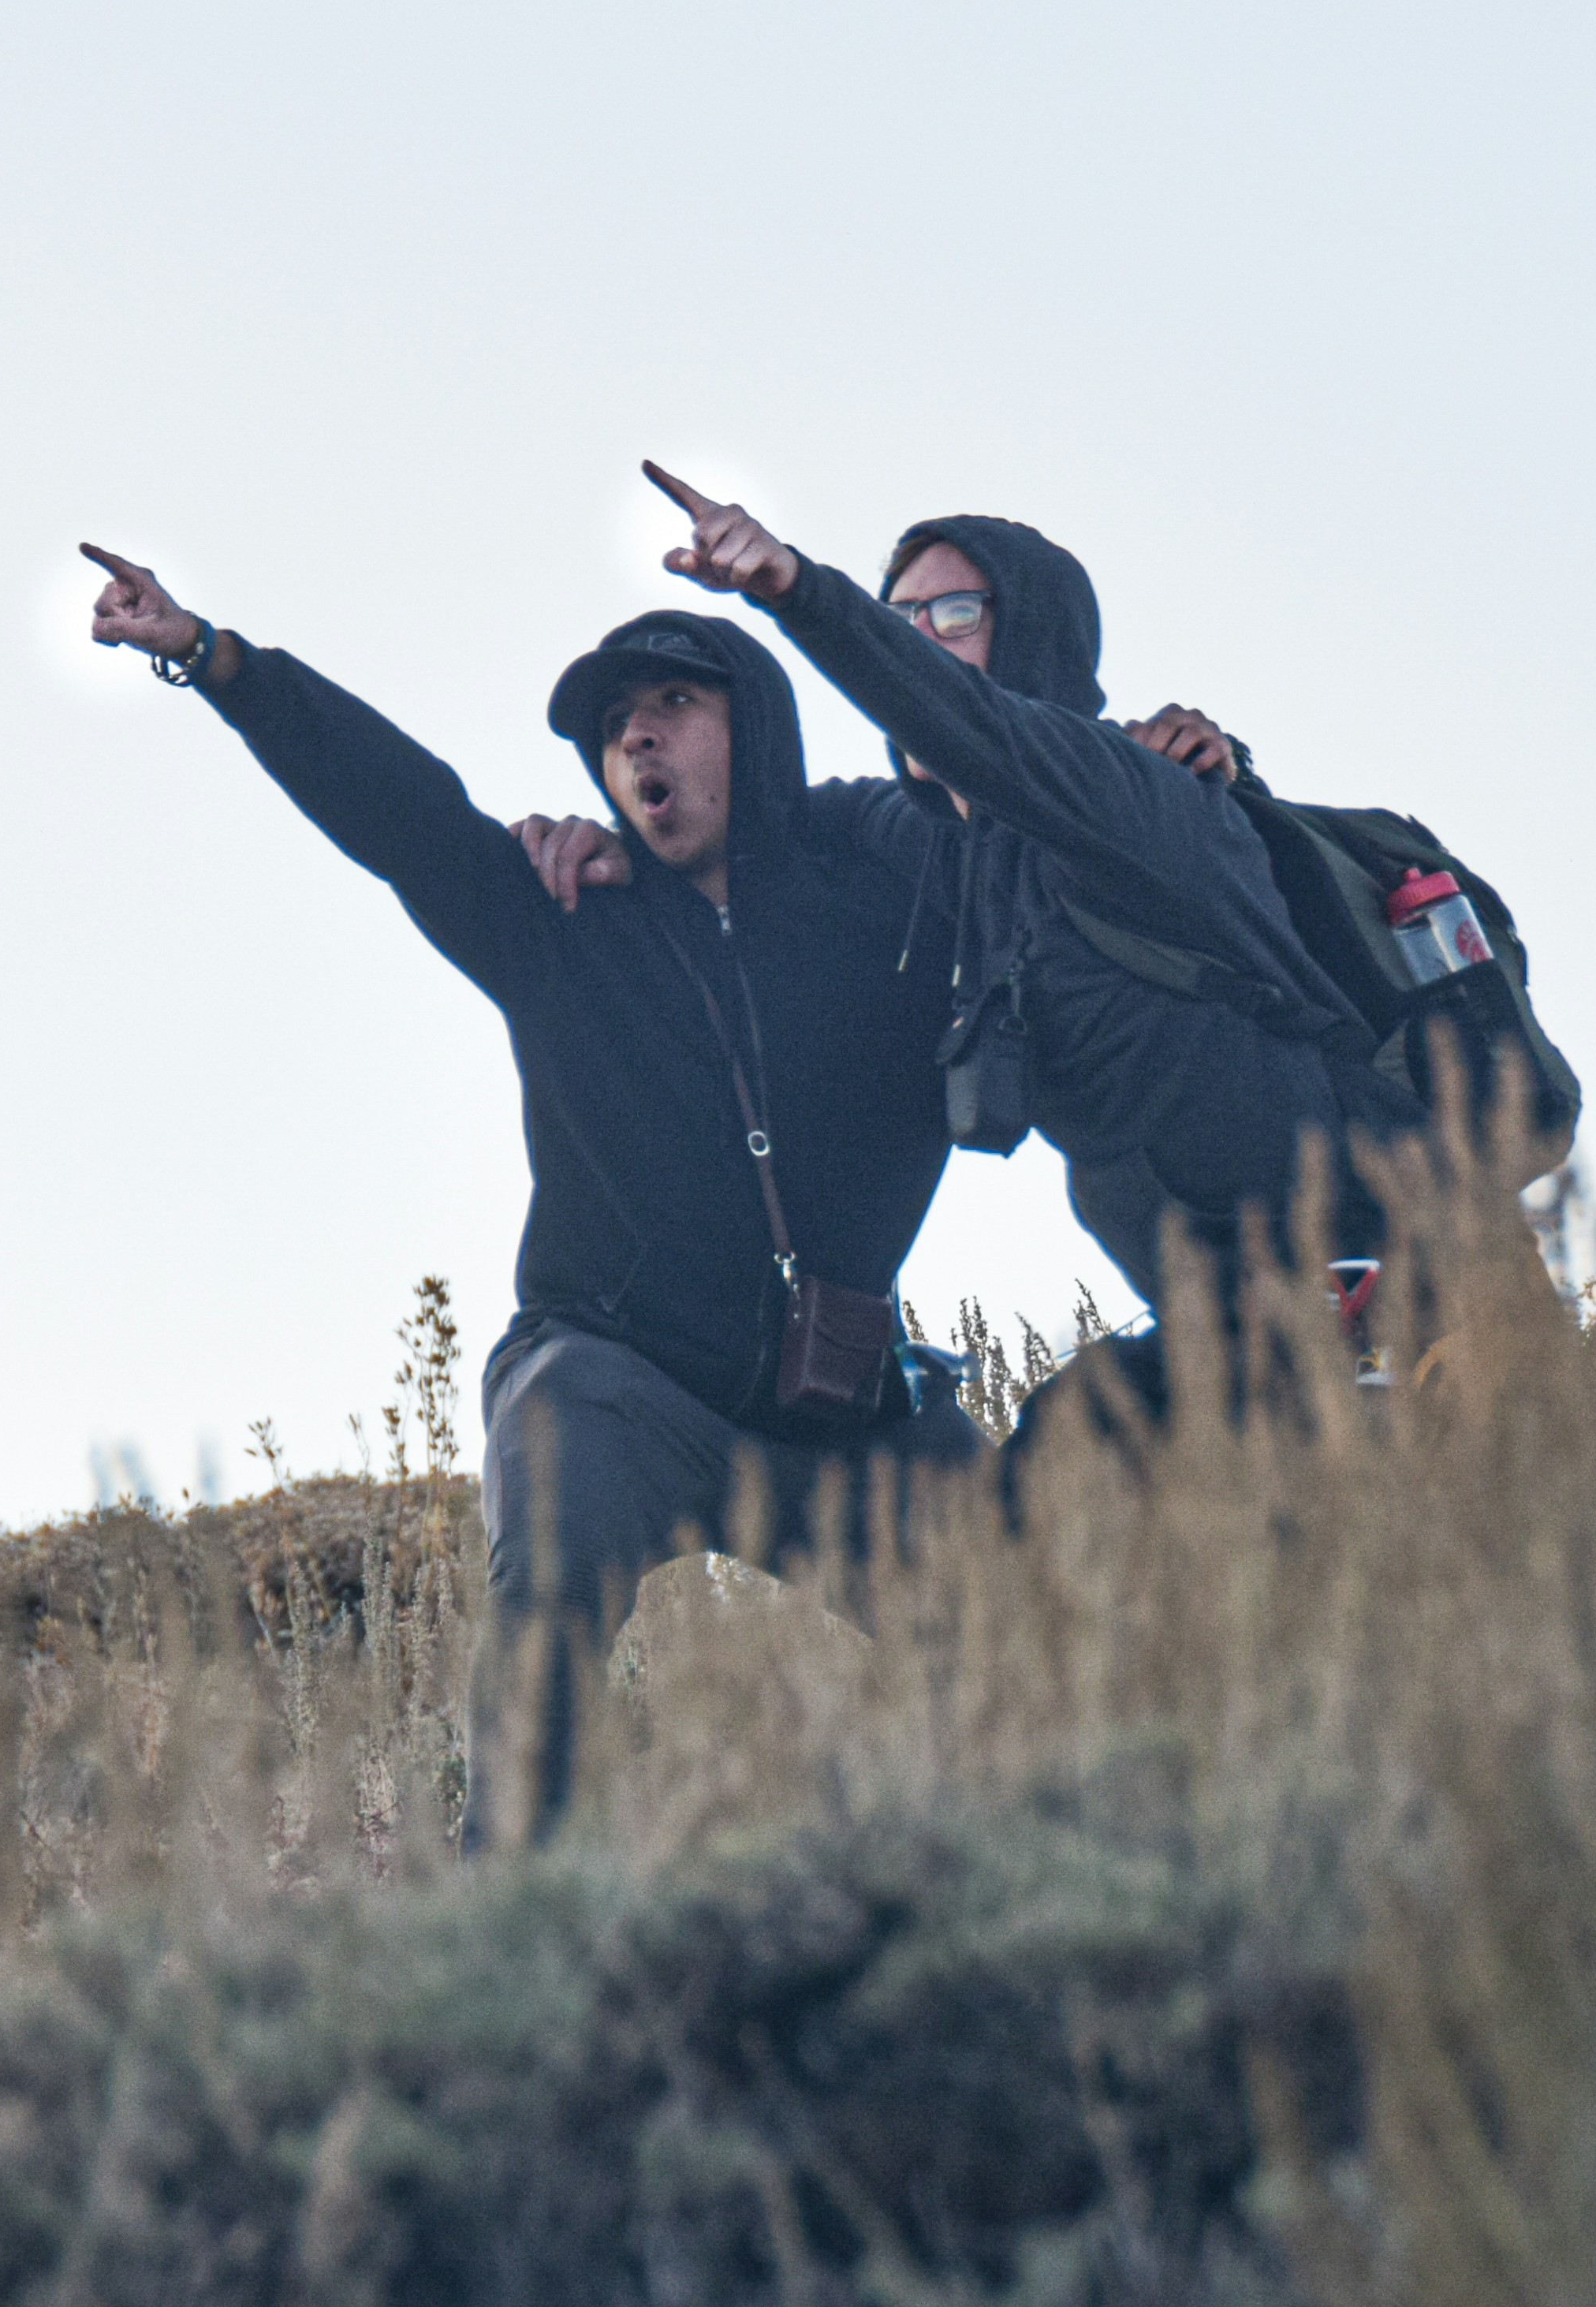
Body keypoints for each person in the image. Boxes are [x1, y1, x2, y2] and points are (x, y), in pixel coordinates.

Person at [80, 541, 980, 1850]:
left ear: (753, 722)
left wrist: (1192, 770)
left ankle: (1042, 1887)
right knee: (557, 1475)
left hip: (834, 1403)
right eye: (613, 729)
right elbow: (403, 813)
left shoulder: (879, 901)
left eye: (669, 704)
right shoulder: (558, 917)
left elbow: (1022, 810)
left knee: (1031, 1600)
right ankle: (514, 1916)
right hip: (624, 1378)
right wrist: (214, 657)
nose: (634, 739)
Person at [628, 471, 1438, 1458]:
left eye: (957, 613)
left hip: (1390, 1292)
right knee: (1029, 1527)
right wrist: (607, 840)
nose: (921, 637)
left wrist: (797, 588)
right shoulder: (944, 847)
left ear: (1036, 638)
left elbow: (973, 727)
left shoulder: (1125, 792)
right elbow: (772, 822)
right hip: (1222, 1333)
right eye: (902, 616)